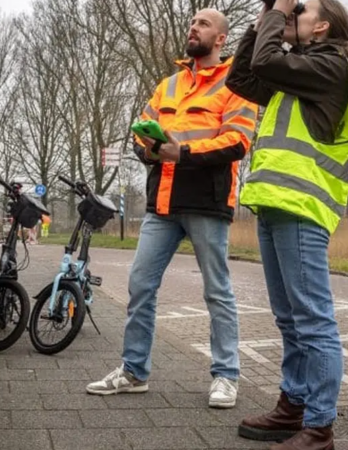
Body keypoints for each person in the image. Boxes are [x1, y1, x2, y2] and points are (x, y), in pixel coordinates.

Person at [86, 8, 259, 409]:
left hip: (206, 203)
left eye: (202, 24)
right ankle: (133, 371)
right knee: (140, 286)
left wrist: (182, 152)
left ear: (220, 39)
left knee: (217, 291)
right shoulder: (168, 85)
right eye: (191, 23)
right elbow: (139, 133)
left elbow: (238, 141)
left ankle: (226, 377)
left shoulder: (236, 86)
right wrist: (148, 148)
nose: (192, 28)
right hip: (161, 203)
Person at [225, 0, 348, 448]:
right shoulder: (298, 72)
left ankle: (319, 426)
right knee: (289, 318)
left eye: (300, 10)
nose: (291, 13)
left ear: (321, 27)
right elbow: (242, 76)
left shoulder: (329, 66)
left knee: (313, 320)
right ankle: (294, 405)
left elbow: (266, 61)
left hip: (303, 207)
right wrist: (263, 18)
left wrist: (275, 14)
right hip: (275, 204)